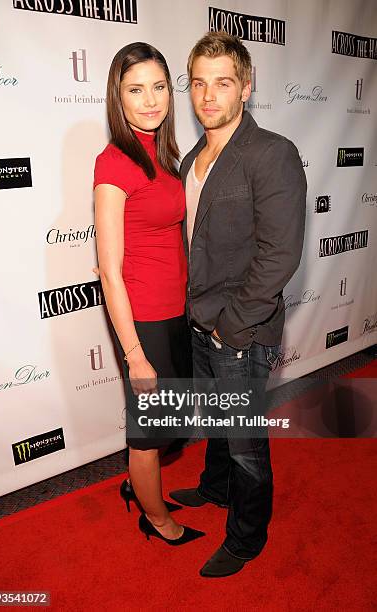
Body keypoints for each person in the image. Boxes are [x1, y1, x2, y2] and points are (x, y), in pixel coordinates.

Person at [169, 31, 306, 576]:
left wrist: (230, 325)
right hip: (201, 320)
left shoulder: (272, 153)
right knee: (219, 421)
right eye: (198, 83)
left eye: (222, 83)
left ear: (246, 87)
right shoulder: (192, 160)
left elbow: (280, 255)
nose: (207, 96)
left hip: (241, 330)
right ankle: (213, 487)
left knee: (246, 441)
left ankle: (247, 538)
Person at [93, 42, 204, 546]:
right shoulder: (114, 163)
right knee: (149, 432)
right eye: (136, 89)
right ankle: (156, 519)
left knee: (167, 423)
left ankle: (141, 488)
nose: (151, 99)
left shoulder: (164, 153)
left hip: (175, 312)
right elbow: (109, 272)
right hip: (144, 319)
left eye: (159, 87)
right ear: (119, 96)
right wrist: (134, 354)